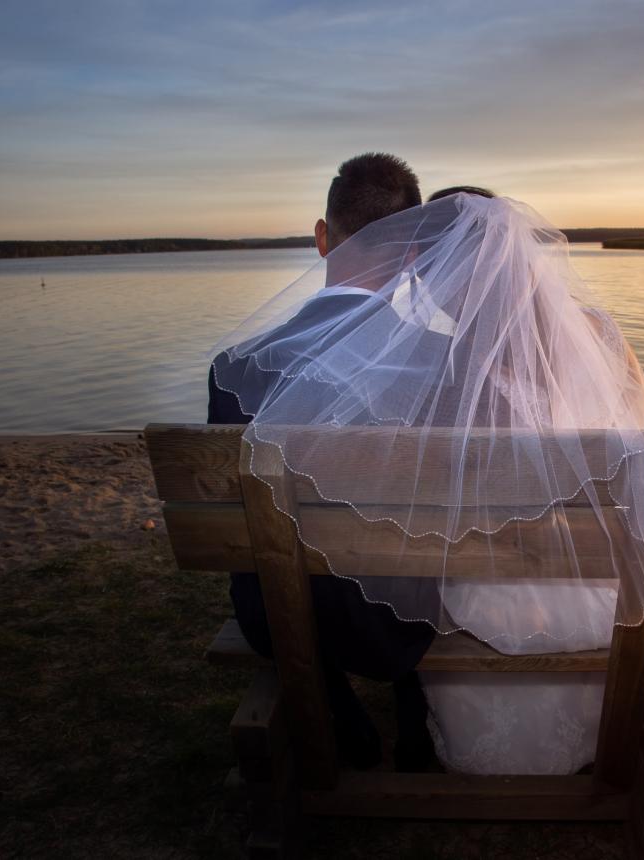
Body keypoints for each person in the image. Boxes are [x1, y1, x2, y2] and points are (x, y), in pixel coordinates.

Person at [215, 184, 644, 777]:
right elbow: (640, 448)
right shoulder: (596, 334)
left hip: (507, 570)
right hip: (605, 561)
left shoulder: (453, 365)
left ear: (436, 267)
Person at [207, 152, 436, 771]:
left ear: (321, 237)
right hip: (403, 618)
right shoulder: (445, 364)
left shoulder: (236, 369)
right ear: (413, 253)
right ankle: (418, 722)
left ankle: (336, 716)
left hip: (277, 613)